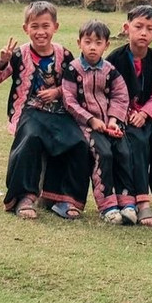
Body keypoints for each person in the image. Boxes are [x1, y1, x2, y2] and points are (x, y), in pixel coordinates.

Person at [0, 0, 92, 220]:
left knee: (79, 142)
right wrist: (2, 61)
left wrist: (58, 92)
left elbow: (77, 84)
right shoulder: (18, 55)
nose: (40, 32)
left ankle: (64, 198)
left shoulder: (65, 55)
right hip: (29, 112)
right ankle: (24, 196)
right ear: (26, 29)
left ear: (55, 27)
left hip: (60, 113)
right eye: (35, 27)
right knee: (31, 138)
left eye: (45, 26)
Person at [108, 4, 152, 227]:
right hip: (124, 120)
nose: (143, 33)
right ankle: (142, 203)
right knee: (136, 143)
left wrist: (146, 113)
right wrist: (127, 113)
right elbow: (109, 93)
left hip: (148, 119)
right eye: (138, 27)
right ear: (126, 28)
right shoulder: (115, 60)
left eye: (149, 28)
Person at [63, 19, 130, 224]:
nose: (93, 47)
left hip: (108, 124)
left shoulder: (110, 70)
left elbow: (120, 95)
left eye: (98, 42)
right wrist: (90, 120)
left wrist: (112, 120)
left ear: (106, 45)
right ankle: (107, 205)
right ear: (79, 43)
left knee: (124, 151)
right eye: (88, 41)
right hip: (83, 125)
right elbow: (69, 99)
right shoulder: (73, 69)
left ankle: (127, 201)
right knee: (104, 153)